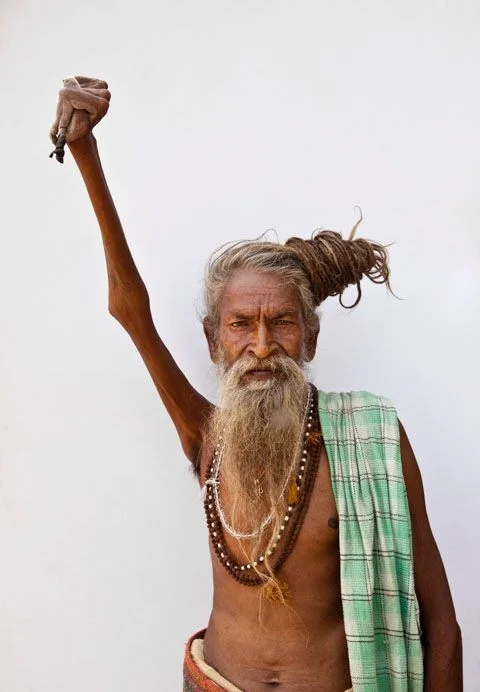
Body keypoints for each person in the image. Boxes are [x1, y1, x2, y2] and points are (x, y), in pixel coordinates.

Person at [50, 77, 462, 692]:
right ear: (214, 341)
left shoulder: (373, 438)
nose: (262, 346)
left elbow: (441, 626)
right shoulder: (205, 436)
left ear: (311, 338)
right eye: (241, 324)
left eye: (282, 323)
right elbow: (131, 312)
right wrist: (86, 153)